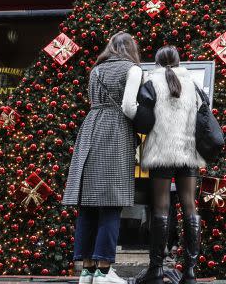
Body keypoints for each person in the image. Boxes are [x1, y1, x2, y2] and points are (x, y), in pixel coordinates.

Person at [63, 32, 144, 284]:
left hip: (91, 128)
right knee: (111, 203)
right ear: (131, 49)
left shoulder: (95, 71)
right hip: (115, 131)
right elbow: (130, 107)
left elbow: (93, 101)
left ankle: (86, 272)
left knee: (87, 205)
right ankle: (104, 271)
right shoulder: (132, 69)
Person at [136, 46, 205, 284]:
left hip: (161, 153)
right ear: (178, 62)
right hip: (188, 152)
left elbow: (143, 123)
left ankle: (156, 269)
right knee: (190, 206)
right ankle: (190, 271)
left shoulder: (150, 84)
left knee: (161, 208)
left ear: (156, 62)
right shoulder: (192, 85)